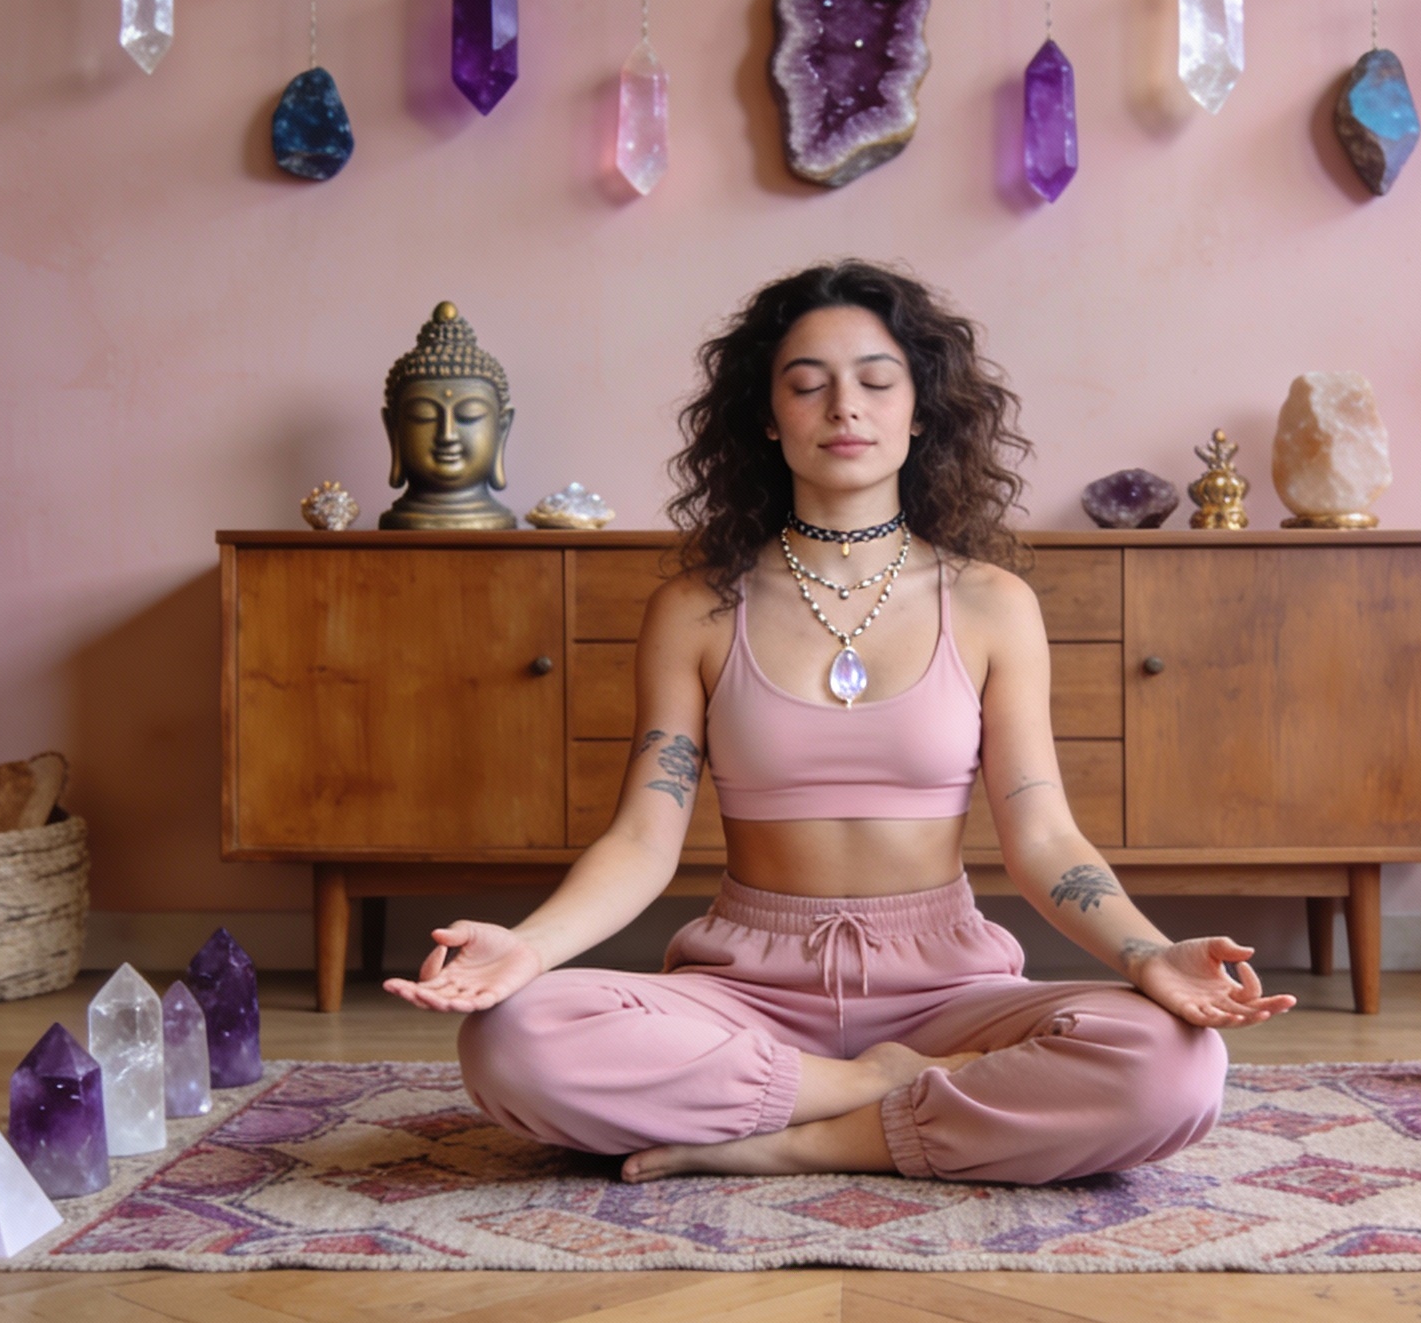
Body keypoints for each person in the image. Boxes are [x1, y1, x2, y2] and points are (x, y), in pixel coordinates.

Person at [384, 260, 1293, 1184]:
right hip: (744, 987)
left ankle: (792, 1138)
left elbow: (1045, 835)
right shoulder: (697, 609)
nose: (843, 407)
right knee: (515, 1037)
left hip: (951, 987)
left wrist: (1150, 955)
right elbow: (641, 841)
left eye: (876, 380)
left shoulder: (991, 605)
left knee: (1175, 1063)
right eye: (808, 385)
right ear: (769, 418)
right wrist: (527, 949)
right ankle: (881, 1089)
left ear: (921, 409)